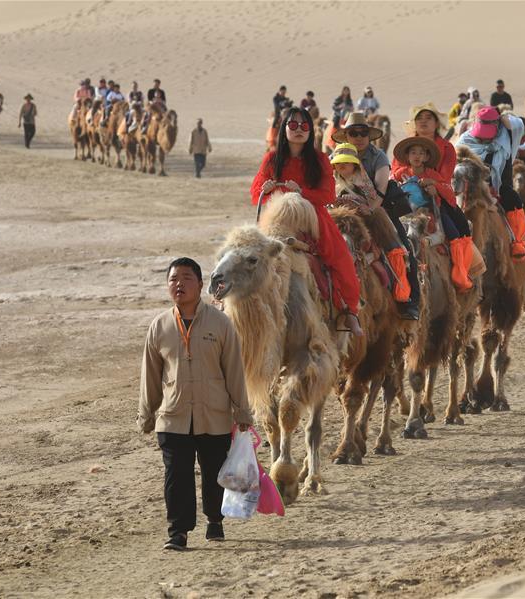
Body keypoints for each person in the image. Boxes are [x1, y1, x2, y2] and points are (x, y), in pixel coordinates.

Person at [138, 257, 254, 551]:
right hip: (173, 416)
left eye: (187, 278)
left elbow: (234, 370)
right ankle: (178, 532)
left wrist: (242, 410)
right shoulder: (159, 326)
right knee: (176, 476)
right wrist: (147, 414)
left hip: (213, 415)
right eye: (174, 279)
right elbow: (150, 375)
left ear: (201, 285)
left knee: (214, 471)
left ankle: (215, 520)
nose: (179, 284)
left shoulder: (221, 323)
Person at [250, 106, 363, 337]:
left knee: (341, 258)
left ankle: (349, 311)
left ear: (311, 130)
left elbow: (328, 195)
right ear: (284, 129)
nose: (299, 130)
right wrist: (267, 188)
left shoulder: (320, 159)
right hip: (279, 217)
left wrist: (301, 192)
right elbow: (255, 194)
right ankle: (241, 307)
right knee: (246, 255)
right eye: (293, 125)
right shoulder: (272, 158)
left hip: (312, 217)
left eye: (304, 126)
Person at [334, 112, 420, 319]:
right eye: (354, 133)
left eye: (363, 132)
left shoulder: (378, 156)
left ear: (369, 135)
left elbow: (380, 189)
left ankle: (410, 302)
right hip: (341, 210)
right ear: (347, 136)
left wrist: (369, 210)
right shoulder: (336, 155)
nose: (359, 137)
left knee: (401, 247)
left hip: (374, 209)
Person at [391, 135, 480, 292]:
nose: (417, 156)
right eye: (413, 153)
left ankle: (460, 271)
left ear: (426, 157)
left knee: (453, 232)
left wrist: (435, 187)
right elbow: (391, 186)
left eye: (420, 153)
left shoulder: (432, 174)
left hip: (433, 213)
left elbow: (449, 194)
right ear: (407, 156)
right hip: (406, 216)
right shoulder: (401, 173)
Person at [457, 105, 525, 259]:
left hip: (500, 187)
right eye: (481, 134)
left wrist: (501, 118)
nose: (483, 138)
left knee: (513, 198)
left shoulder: (506, 138)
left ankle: (517, 241)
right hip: (471, 186)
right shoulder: (465, 140)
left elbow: (518, 124)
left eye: (487, 134)